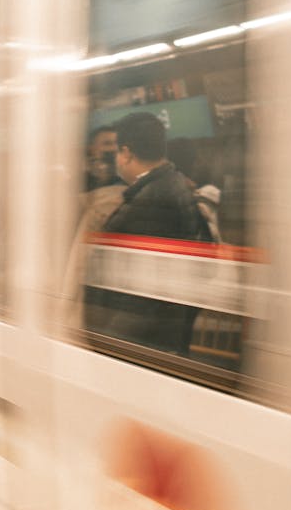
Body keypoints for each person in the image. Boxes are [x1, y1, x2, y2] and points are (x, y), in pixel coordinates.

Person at [85, 112, 206, 351]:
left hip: (143, 342)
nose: (117, 161)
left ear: (127, 153)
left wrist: (108, 341)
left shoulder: (151, 199)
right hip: (163, 333)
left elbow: (144, 295)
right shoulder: (173, 185)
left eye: (118, 152)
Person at [84, 125, 121, 191]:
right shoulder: (79, 181)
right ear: (92, 148)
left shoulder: (126, 179)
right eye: (107, 144)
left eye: (117, 143)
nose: (114, 148)